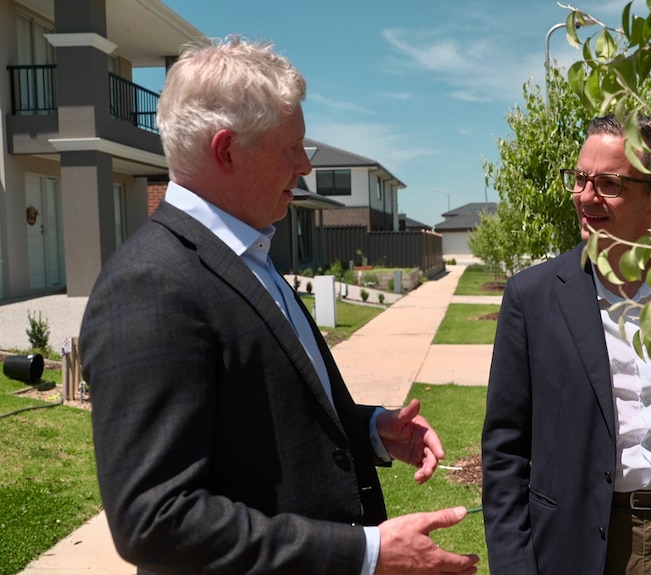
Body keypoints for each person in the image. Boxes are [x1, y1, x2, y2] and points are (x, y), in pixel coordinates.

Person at [81, 36, 480, 575]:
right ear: (226, 150)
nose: (305, 167)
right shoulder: (151, 283)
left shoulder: (250, 253)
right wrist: (367, 552)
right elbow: (156, 522)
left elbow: (263, 422)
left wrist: (368, 430)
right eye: (290, 148)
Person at [481, 113, 651, 575]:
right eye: (580, 179)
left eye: (609, 183)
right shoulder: (532, 298)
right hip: (577, 545)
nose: (585, 197)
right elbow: (505, 451)